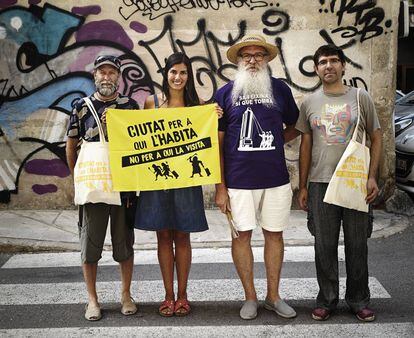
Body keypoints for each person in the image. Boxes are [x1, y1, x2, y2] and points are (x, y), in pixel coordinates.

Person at [214, 34, 299, 320]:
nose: (252, 60)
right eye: (246, 56)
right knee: (242, 238)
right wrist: (220, 186)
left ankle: (273, 296)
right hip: (238, 181)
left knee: (275, 235)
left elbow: (296, 125)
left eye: (258, 55)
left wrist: (274, 141)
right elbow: (217, 143)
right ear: (238, 61)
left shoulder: (280, 89)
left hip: (276, 178)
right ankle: (250, 297)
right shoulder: (224, 94)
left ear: (266, 59)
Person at [295, 44, 382, 322]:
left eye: (334, 61)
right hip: (321, 183)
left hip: (356, 182)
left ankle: (359, 300)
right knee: (324, 245)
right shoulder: (309, 102)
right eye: (323, 62)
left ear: (344, 65)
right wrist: (304, 184)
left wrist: (372, 177)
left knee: (357, 244)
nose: (328, 66)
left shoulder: (360, 97)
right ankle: (327, 300)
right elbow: (305, 145)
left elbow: (376, 137)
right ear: (317, 68)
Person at [134, 52, 223, 317]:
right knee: (162, 235)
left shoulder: (200, 107)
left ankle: (183, 295)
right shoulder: (152, 103)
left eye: (183, 72)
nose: (178, 77)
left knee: (182, 235)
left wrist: (213, 116)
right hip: (157, 179)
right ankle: (168, 295)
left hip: (187, 181)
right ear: (165, 73)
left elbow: (212, 141)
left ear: (189, 76)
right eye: (173, 72)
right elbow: (137, 138)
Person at [66, 55, 139, 321]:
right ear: (94, 76)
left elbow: (140, 144)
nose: (106, 77)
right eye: (102, 72)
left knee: (124, 244)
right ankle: (92, 300)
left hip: (124, 187)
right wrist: (78, 178)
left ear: (118, 77)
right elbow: (71, 144)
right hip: (94, 185)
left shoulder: (130, 106)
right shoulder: (81, 106)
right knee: (90, 244)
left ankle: (126, 295)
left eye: (111, 72)